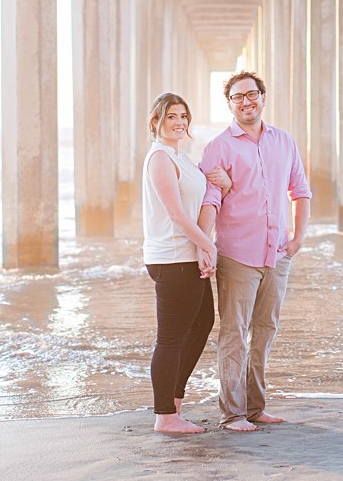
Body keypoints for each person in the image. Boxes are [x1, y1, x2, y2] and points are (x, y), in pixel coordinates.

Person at [196, 71, 311, 431]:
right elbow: (210, 198)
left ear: (263, 96)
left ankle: (256, 406)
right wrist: (204, 245)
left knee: (265, 330)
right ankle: (233, 413)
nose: (246, 102)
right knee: (234, 333)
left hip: (277, 255)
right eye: (237, 97)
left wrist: (297, 240)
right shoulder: (219, 146)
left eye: (251, 94)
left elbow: (300, 191)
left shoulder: (284, 141)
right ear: (229, 104)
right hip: (237, 256)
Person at [141, 92, 230, 434]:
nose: (179, 123)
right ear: (156, 123)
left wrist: (223, 184)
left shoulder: (179, 156)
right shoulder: (160, 158)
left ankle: (174, 405)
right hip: (171, 258)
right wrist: (207, 245)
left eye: (182, 116)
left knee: (202, 323)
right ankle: (165, 416)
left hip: (187, 254)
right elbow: (177, 215)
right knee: (171, 338)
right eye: (170, 117)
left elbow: (199, 200)